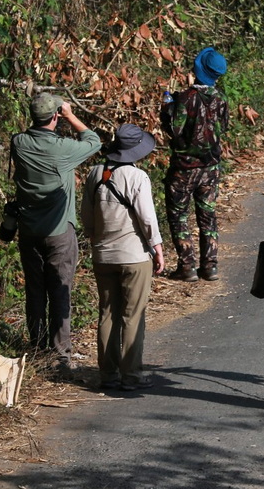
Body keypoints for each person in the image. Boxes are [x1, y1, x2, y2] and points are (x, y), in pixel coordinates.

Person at [11, 92, 101, 371]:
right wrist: (70, 115)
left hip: (28, 231)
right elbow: (94, 141)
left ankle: (37, 348)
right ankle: (60, 353)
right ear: (55, 117)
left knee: (35, 291)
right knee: (60, 290)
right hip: (59, 231)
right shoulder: (62, 149)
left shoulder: (19, 142)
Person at [81, 124, 165, 391]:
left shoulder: (95, 173)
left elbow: (86, 215)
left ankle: (108, 373)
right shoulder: (137, 177)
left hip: (103, 255)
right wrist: (158, 248)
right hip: (134, 255)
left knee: (107, 313)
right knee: (133, 314)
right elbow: (147, 218)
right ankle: (132, 375)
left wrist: (95, 238)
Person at [160, 47, 229, 283]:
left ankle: (187, 266)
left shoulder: (184, 98)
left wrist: (167, 105)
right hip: (210, 168)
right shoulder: (221, 99)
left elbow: (173, 129)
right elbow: (223, 127)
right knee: (207, 215)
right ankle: (210, 266)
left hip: (183, 169)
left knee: (179, 215)